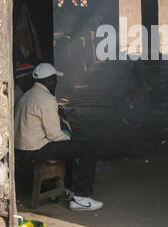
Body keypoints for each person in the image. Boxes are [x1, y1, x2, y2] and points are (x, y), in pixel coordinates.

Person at [14, 62, 103, 211]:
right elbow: (54, 134)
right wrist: (71, 141)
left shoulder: (27, 95)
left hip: (21, 149)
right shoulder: (46, 98)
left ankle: (65, 189)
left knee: (73, 146)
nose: (56, 82)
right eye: (55, 79)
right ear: (49, 80)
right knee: (87, 148)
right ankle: (81, 198)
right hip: (35, 149)